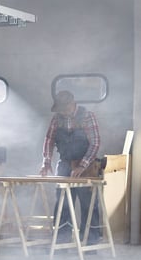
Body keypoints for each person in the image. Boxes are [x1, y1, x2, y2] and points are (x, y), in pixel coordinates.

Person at [39, 90, 101, 246]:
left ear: (72, 104)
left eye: (63, 108)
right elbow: (49, 140)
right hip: (64, 164)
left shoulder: (87, 116)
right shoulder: (57, 119)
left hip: (86, 166)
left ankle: (90, 241)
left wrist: (83, 165)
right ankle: (62, 241)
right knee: (63, 203)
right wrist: (46, 162)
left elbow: (95, 143)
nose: (61, 111)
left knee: (88, 204)